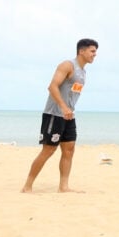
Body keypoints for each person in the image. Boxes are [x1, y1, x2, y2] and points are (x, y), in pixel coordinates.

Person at [21, 38, 98, 193]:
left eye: (95, 52)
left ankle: (63, 187)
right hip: (54, 114)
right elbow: (52, 86)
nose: (94, 55)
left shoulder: (83, 72)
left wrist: (68, 109)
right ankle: (27, 186)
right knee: (48, 150)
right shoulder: (67, 65)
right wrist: (63, 107)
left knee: (69, 150)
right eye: (92, 51)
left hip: (69, 115)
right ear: (81, 51)